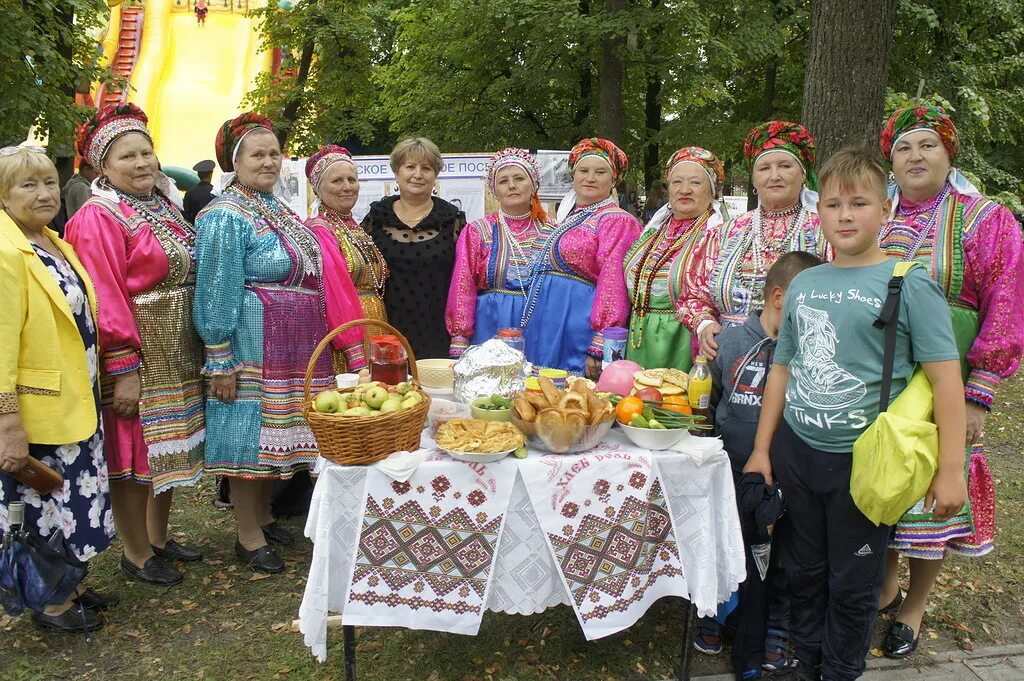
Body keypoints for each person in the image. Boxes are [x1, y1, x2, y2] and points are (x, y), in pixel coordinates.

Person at [745, 147, 967, 681]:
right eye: (834, 204)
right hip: (798, 454)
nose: (845, 215)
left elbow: (945, 381)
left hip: (863, 465)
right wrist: (761, 449)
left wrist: (951, 469)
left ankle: (840, 671)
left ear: (885, 210)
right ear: (818, 212)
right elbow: (782, 369)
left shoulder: (907, 282)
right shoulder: (804, 284)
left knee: (853, 583)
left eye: (860, 203)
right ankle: (804, 664)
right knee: (802, 571)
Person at [876, 106, 1024, 658]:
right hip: (881, 370)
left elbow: (1006, 304)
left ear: (949, 153)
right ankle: (886, 584)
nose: (915, 157)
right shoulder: (877, 214)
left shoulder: (984, 218)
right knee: (885, 470)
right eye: (904, 148)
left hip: (948, 368)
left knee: (935, 488)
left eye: (927, 145)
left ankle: (913, 607)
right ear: (890, 161)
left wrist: (980, 390)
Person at [194, 113, 365, 573]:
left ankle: (265, 517)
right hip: (253, 343)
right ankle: (247, 536)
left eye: (274, 153)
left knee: (278, 435)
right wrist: (220, 355)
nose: (269, 161)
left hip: (293, 343)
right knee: (251, 436)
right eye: (257, 154)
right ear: (234, 161)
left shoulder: (277, 209)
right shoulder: (224, 215)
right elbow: (216, 286)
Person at [65, 104, 205, 587]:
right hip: (140, 350)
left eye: (147, 152)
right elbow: (103, 295)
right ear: (102, 166)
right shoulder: (96, 218)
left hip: (176, 348)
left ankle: (159, 536)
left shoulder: (161, 206)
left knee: (167, 449)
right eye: (128, 156)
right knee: (132, 452)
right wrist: (124, 366)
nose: (142, 163)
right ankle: (136, 551)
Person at [0, 145, 115, 631]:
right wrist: (8, 422)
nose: (45, 193)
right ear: (3, 196)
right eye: (29, 185)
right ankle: (51, 604)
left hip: (75, 400)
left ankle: (72, 584)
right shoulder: (6, 252)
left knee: (76, 500)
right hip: (36, 410)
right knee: (47, 505)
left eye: (49, 182)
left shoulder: (49, 240)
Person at [700, 251, 821, 678]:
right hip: (730, 466)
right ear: (777, 297)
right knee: (725, 538)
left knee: (783, 553)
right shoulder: (730, 341)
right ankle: (714, 610)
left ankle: (775, 625)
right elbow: (711, 402)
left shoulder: (812, 348)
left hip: (786, 470)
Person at [680, 121, 830, 361]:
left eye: (785, 166)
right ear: (753, 180)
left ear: (803, 174)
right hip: (728, 355)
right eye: (764, 168)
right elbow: (693, 293)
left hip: (797, 358)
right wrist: (704, 324)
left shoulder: (826, 229)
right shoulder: (727, 232)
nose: (774, 176)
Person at [446, 148, 558, 359]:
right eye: (503, 181)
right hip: (490, 322)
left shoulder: (554, 230)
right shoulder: (478, 231)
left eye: (519, 178)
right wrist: (460, 337)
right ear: (494, 190)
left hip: (540, 321)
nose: (512, 186)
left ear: (533, 185)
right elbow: (463, 285)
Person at [543, 137, 641, 376]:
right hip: (554, 316)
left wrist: (601, 338)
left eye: (600, 172)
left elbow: (613, 281)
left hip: (581, 320)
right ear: (573, 176)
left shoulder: (617, 221)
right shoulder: (571, 216)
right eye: (583, 171)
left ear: (614, 179)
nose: (590, 178)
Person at [361, 137, 465, 360]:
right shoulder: (376, 218)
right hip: (387, 330)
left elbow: (464, 281)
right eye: (410, 167)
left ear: (435, 175)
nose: (418, 174)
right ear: (397, 172)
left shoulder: (453, 220)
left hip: (436, 329)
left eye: (426, 168)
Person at [625, 147, 725, 372]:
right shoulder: (652, 231)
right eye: (677, 182)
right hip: (638, 336)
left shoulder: (718, 236)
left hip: (682, 341)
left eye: (696, 183)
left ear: (713, 190)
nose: (685, 190)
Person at [305, 144, 389, 327]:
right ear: (317, 188)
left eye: (352, 179)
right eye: (337, 181)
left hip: (374, 324)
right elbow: (334, 296)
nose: (347, 187)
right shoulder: (321, 230)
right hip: (348, 331)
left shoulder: (354, 228)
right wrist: (352, 346)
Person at [183, 159, 215, 225]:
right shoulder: (217, 192)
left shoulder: (190, 193)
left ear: (198, 175)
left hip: (197, 230)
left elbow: (186, 216)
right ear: (210, 174)